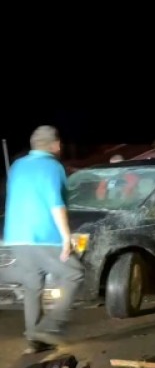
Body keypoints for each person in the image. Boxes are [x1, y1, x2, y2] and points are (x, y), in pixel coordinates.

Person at [4, 126, 85, 353]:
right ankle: (50, 326)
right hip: (43, 235)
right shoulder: (52, 166)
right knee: (74, 273)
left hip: (17, 236)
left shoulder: (18, 165)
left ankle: (33, 340)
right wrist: (66, 237)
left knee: (32, 286)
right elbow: (55, 203)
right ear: (55, 145)